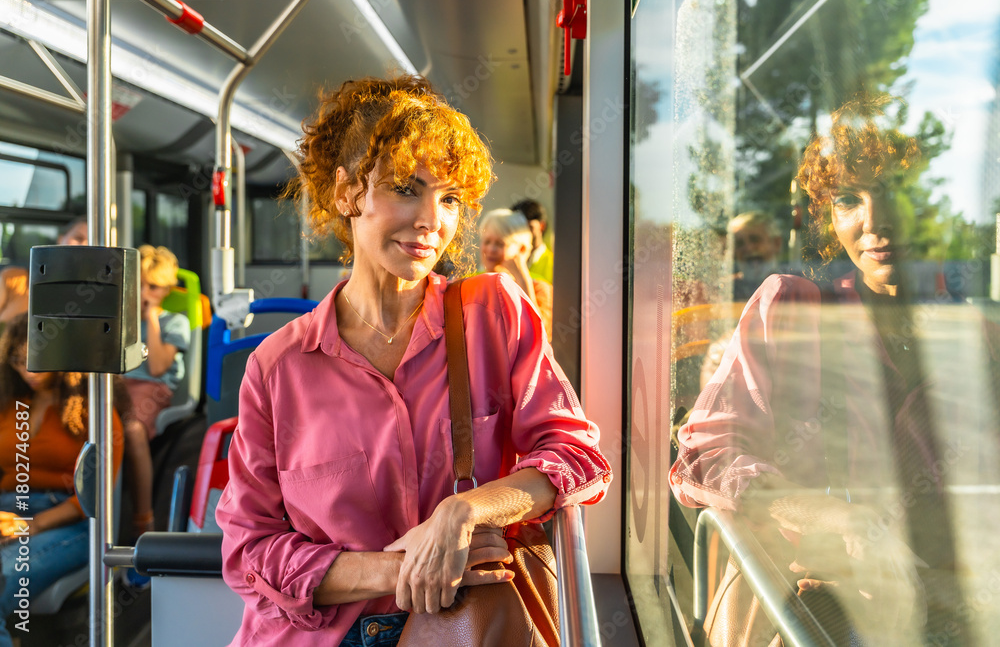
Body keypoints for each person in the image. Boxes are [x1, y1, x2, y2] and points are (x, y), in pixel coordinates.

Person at [216, 75, 612, 646]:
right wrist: (402, 568)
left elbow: (577, 456)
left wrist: (466, 511)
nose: (432, 220)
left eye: (449, 198)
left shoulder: (491, 314)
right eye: (406, 188)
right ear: (346, 193)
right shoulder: (278, 365)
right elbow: (248, 552)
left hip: (465, 628)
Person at [670, 94, 971, 644]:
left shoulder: (974, 339)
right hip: (804, 608)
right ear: (829, 217)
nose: (874, 221)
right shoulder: (792, 308)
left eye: (895, 192)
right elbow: (704, 456)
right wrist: (827, 516)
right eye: (849, 199)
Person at [0, 314, 125, 647]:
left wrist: (32, 525)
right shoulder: (8, 404)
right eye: (17, 361)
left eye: (34, 360)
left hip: (73, 523)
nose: (27, 371)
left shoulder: (94, 409)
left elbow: (97, 494)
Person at [121, 245, 189, 572]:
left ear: (166, 290)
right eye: (141, 285)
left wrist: (150, 317)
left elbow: (159, 366)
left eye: (154, 286)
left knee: (131, 429)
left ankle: (143, 519)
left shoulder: (174, 321)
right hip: (119, 383)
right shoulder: (123, 319)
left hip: (151, 387)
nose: (146, 292)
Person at [0, 217, 88, 329]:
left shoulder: (88, 293)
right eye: (78, 238)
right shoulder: (13, 278)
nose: (84, 245)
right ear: (61, 239)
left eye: (90, 242)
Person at [479, 208, 553, 340]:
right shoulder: (469, 282)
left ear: (521, 249)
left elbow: (542, 335)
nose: (490, 249)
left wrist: (523, 281)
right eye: (487, 241)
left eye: (500, 244)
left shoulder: (539, 288)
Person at [727, 211, 784, 300]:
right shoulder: (726, 288)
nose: (748, 248)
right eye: (739, 243)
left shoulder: (792, 286)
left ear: (776, 243)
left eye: (755, 240)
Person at [510, 199, 553, 285]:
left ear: (542, 226)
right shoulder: (506, 261)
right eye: (518, 227)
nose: (523, 232)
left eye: (528, 227)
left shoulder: (553, 264)